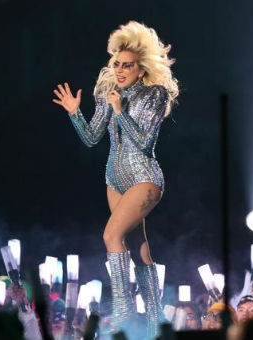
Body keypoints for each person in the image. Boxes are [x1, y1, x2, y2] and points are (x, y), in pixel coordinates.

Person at [52, 21, 179, 338]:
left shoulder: (154, 95)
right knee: (139, 250)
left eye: (128, 65)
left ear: (141, 68)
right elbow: (92, 138)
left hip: (144, 178)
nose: (120, 70)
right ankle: (154, 318)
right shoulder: (109, 94)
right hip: (115, 179)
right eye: (117, 64)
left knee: (111, 236)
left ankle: (122, 314)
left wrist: (120, 110)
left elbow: (142, 141)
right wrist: (74, 112)